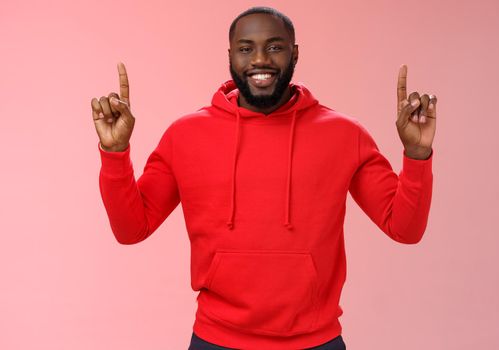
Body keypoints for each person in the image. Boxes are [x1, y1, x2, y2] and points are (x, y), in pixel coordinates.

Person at [91, 6, 437, 350]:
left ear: (295, 53)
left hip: (316, 342)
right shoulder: (185, 135)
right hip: (216, 340)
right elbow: (131, 229)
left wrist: (417, 155)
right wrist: (115, 154)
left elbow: (404, 229)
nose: (260, 59)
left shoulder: (345, 135)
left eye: (274, 46)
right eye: (246, 48)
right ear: (230, 55)